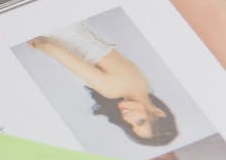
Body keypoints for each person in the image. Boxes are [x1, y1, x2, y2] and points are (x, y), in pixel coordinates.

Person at [28, 23, 181, 147]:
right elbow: (49, 46)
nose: (127, 118)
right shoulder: (113, 90)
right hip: (51, 27)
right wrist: (36, 43)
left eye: (131, 125)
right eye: (140, 121)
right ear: (159, 112)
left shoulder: (142, 83)